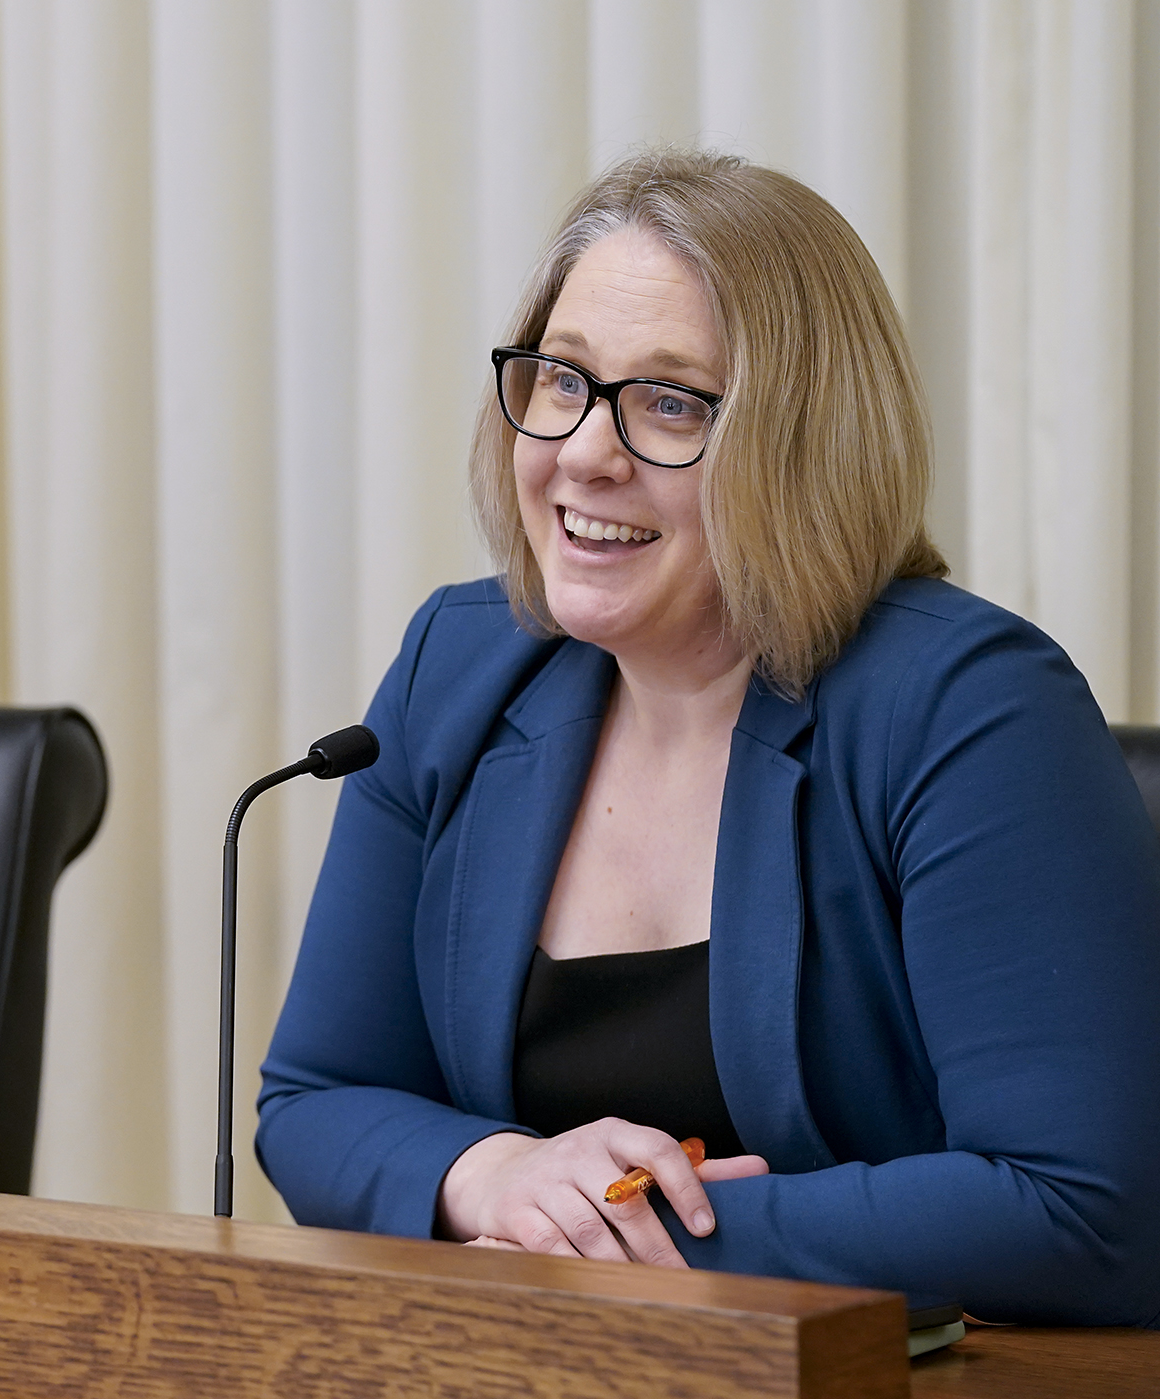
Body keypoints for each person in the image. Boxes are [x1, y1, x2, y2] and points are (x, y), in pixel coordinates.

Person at [255, 149, 1160, 1326]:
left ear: (803, 441)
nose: (586, 452)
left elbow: (1087, 1213)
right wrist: (496, 1176)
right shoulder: (459, 668)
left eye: (671, 402)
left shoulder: (970, 708)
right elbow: (318, 1099)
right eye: (562, 380)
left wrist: (631, 1219)